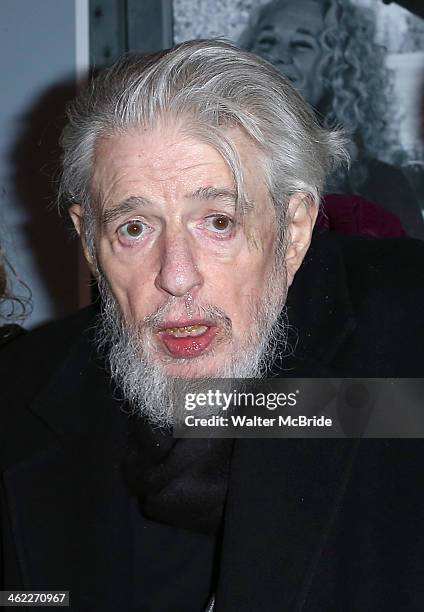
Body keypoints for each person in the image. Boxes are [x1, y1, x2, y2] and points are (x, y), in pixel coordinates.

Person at [0, 40, 423, 611]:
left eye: (218, 222)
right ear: (89, 242)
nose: (176, 277)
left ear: (293, 227)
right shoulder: (19, 394)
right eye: (133, 229)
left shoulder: (404, 344)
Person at [240, 0, 424, 239]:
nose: (278, 56)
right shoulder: (218, 163)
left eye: (301, 44)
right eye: (267, 41)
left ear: (338, 68)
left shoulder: (381, 185)